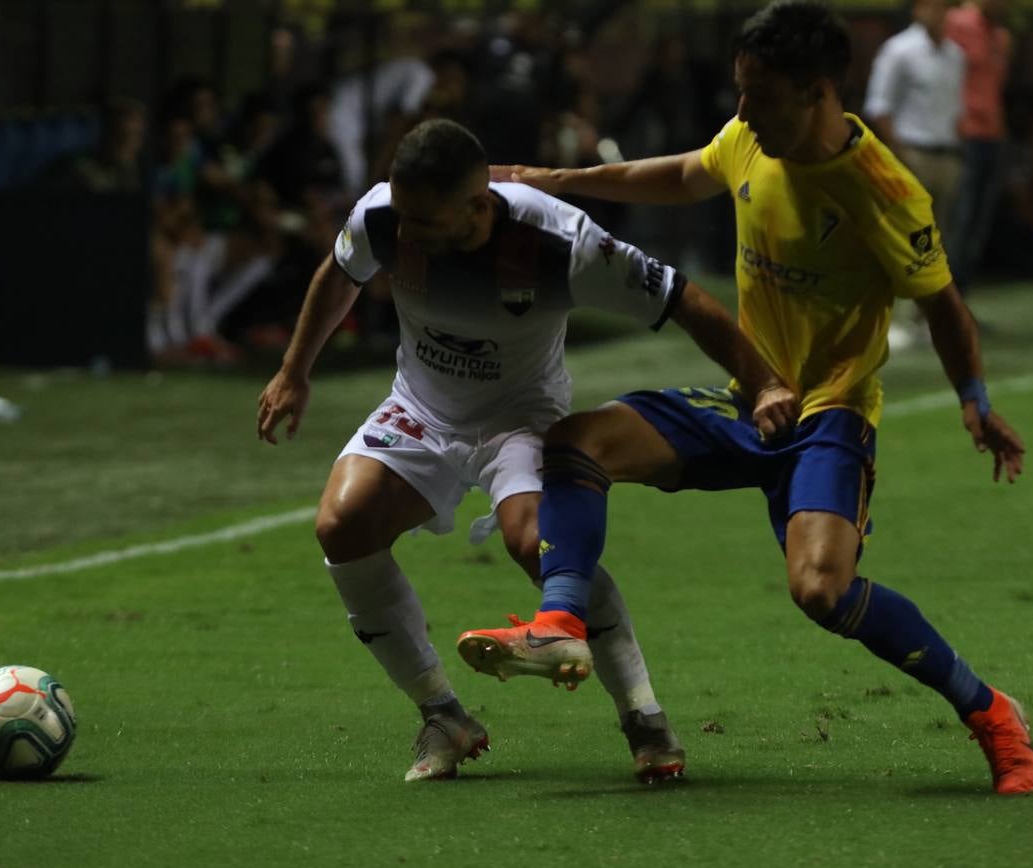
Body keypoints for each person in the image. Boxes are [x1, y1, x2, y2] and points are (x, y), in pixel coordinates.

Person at [462, 0, 1033, 795]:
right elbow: (681, 172)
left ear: (816, 93)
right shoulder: (750, 140)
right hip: (746, 398)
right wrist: (552, 181)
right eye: (739, 91)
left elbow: (941, 302)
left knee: (820, 590)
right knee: (576, 442)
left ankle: (991, 715)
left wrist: (973, 398)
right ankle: (560, 625)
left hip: (828, 415)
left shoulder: (883, 191)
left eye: (758, 94)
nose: (741, 111)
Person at [255, 118, 793, 783]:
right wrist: (294, 370)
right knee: (341, 526)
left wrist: (766, 381)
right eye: (402, 215)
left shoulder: (560, 243)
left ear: (479, 205)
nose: (408, 234)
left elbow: (682, 298)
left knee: (536, 542)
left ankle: (642, 715)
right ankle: (443, 715)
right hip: (419, 408)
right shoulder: (382, 215)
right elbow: (339, 274)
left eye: (426, 221)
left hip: (521, 419)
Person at [864, 0, 964, 252]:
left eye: (943, 6)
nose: (938, 12)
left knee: (945, 236)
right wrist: (901, 154)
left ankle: (942, 291)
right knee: (912, 236)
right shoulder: (899, 50)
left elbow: (956, 106)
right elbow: (879, 106)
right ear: (918, 9)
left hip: (948, 156)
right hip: (913, 153)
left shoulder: (955, 55)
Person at [945, 0, 1011, 295]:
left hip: (992, 134)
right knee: (960, 216)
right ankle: (946, 295)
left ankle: (963, 295)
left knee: (978, 223)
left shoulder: (1000, 36)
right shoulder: (957, 23)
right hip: (964, 134)